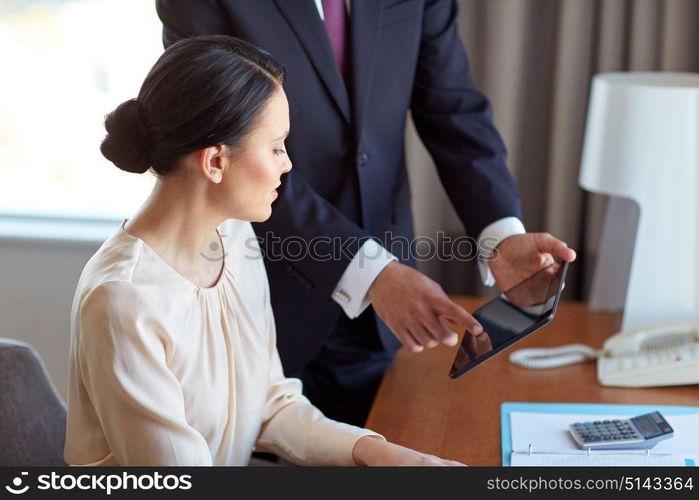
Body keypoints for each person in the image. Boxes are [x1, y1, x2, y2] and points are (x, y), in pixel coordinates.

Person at [155, 0, 577, 426]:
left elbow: (452, 108)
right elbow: (220, 147)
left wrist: (501, 233)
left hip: (385, 306)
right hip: (260, 293)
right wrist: (369, 271)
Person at [64, 35, 463, 466]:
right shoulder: (124, 299)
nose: (287, 164)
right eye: (276, 147)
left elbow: (271, 404)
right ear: (215, 161)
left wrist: (382, 454)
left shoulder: (234, 237)